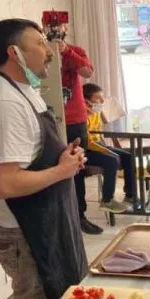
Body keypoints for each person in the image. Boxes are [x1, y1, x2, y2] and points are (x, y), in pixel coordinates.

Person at [0, 19, 88, 299]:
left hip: (48, 220)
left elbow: (31, 156)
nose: (49, 51)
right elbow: (3, 183)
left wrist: (63, 159)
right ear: (15, 53)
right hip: (26, 234)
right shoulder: (3, 103)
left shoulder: (25, 91)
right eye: (39, 43)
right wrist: (62, 170)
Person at [53, 32, 101, 234]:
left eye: (59, 24)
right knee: (53, 168)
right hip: (51, 117)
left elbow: (87, 72)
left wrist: (66, 51)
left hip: (75, 119)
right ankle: (62, 216)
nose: (55, 28)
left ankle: (79, 215)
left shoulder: (75, 51)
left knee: (77, 169)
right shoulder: (41, 52)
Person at [83, 83, 135, 212]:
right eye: (98, 98)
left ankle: (131, 195)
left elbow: (104, 129)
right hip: (87, 150)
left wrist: (109, 147)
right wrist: (107, 151)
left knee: (128, 156)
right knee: (112, 160)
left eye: (102, 97)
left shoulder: (97, 111)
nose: (102, 101)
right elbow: (88, 142)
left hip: (98, 145)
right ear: (86, 100)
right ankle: (107, 201)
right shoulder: (83, 116)